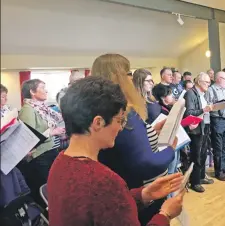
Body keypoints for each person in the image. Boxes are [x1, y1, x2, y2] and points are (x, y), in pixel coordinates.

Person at [47, 76, 184, 225]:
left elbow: (103, 207)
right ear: (98, 122)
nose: (120, 128)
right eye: (119, 120)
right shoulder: (104, 181)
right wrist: (165, 214)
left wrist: (143, 195)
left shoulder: (59, 163)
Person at [93, 54, 175, 225]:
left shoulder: (100, 109)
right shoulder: (125, 113)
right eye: (128, 73)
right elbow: (146, 163)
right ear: (120, 78)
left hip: (118, 187)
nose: (132, 79)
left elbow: (127, 144)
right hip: (141, 190)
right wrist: (170, 150)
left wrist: (151, 130)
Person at [18, 79, 65, 205]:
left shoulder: (42, 108)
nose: (46, 91)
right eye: (42, 88)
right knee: (45, 191)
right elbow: (29, 137)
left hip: (50, 152)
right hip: (40, 156)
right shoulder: (28, 109)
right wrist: (52, 132)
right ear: (32, 92)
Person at [184, 72, 213, 193]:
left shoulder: (202, 93)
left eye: (209, 82)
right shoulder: (190, 93)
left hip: (204, 125)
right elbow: (189, 112)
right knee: (196, 155)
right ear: (199, 82)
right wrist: (204, 109)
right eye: (206, 82)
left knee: (203, 153)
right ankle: (195, 182)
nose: (208, 84)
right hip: (195, 128)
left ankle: (201, 177)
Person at [206, 71, 225, 181]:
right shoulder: (211, 90)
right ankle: (218, 171)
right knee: (218, 147)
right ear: (218, 79)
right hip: (217, 120)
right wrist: (217, 105)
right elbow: (207, 106)